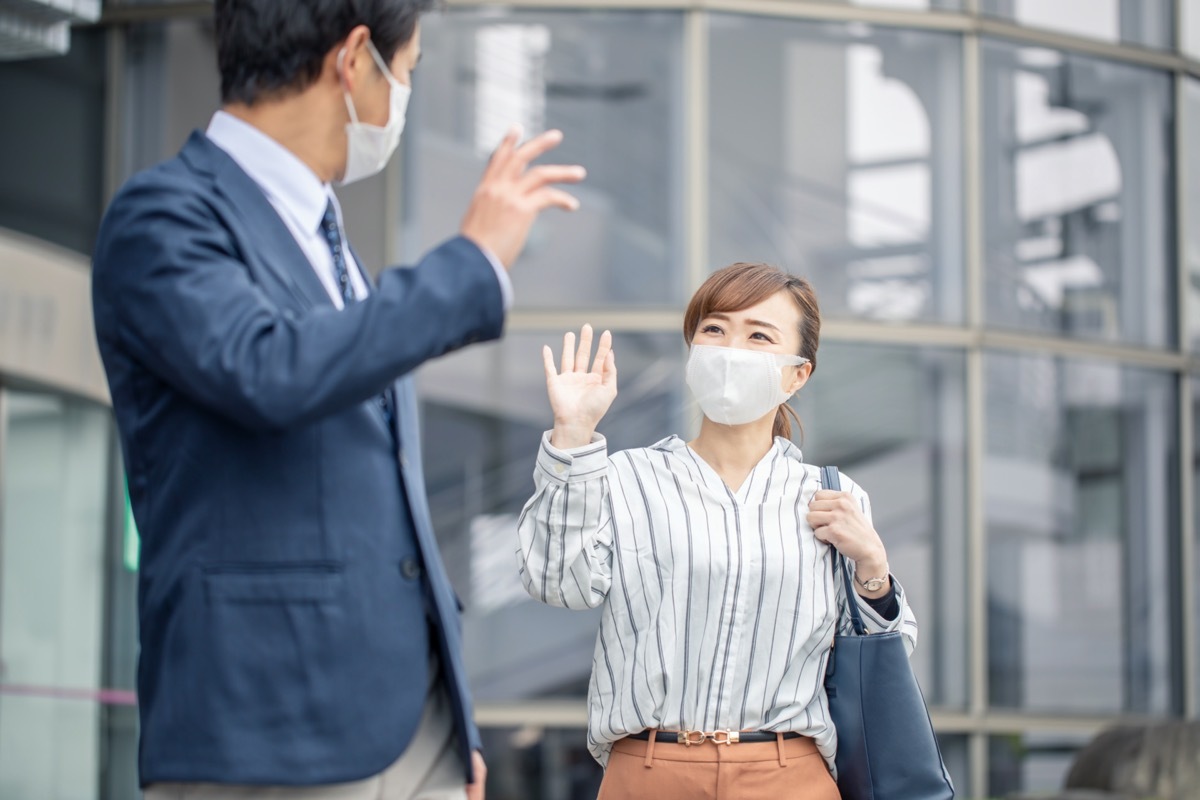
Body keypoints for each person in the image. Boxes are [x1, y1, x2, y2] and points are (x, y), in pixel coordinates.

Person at [91, 1, 586, 798]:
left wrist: (443, 715)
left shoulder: (329, 238)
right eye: (411, 72)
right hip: (270, 729)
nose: (405, 98)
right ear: (355, 60)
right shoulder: (163, 217)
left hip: (409, 726)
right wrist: (470, 264)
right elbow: (267, 370)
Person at [516, 262, 920, 800]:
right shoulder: (624, 477)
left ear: (798, 373)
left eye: (759, 335)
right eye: (714, 329)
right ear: (692, 351)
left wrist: (873, 566)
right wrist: (572, 434)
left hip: (788, 772)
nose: (731, 348)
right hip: (650, 768)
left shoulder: (831, 497)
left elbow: (891, 652)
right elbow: (555, 582)